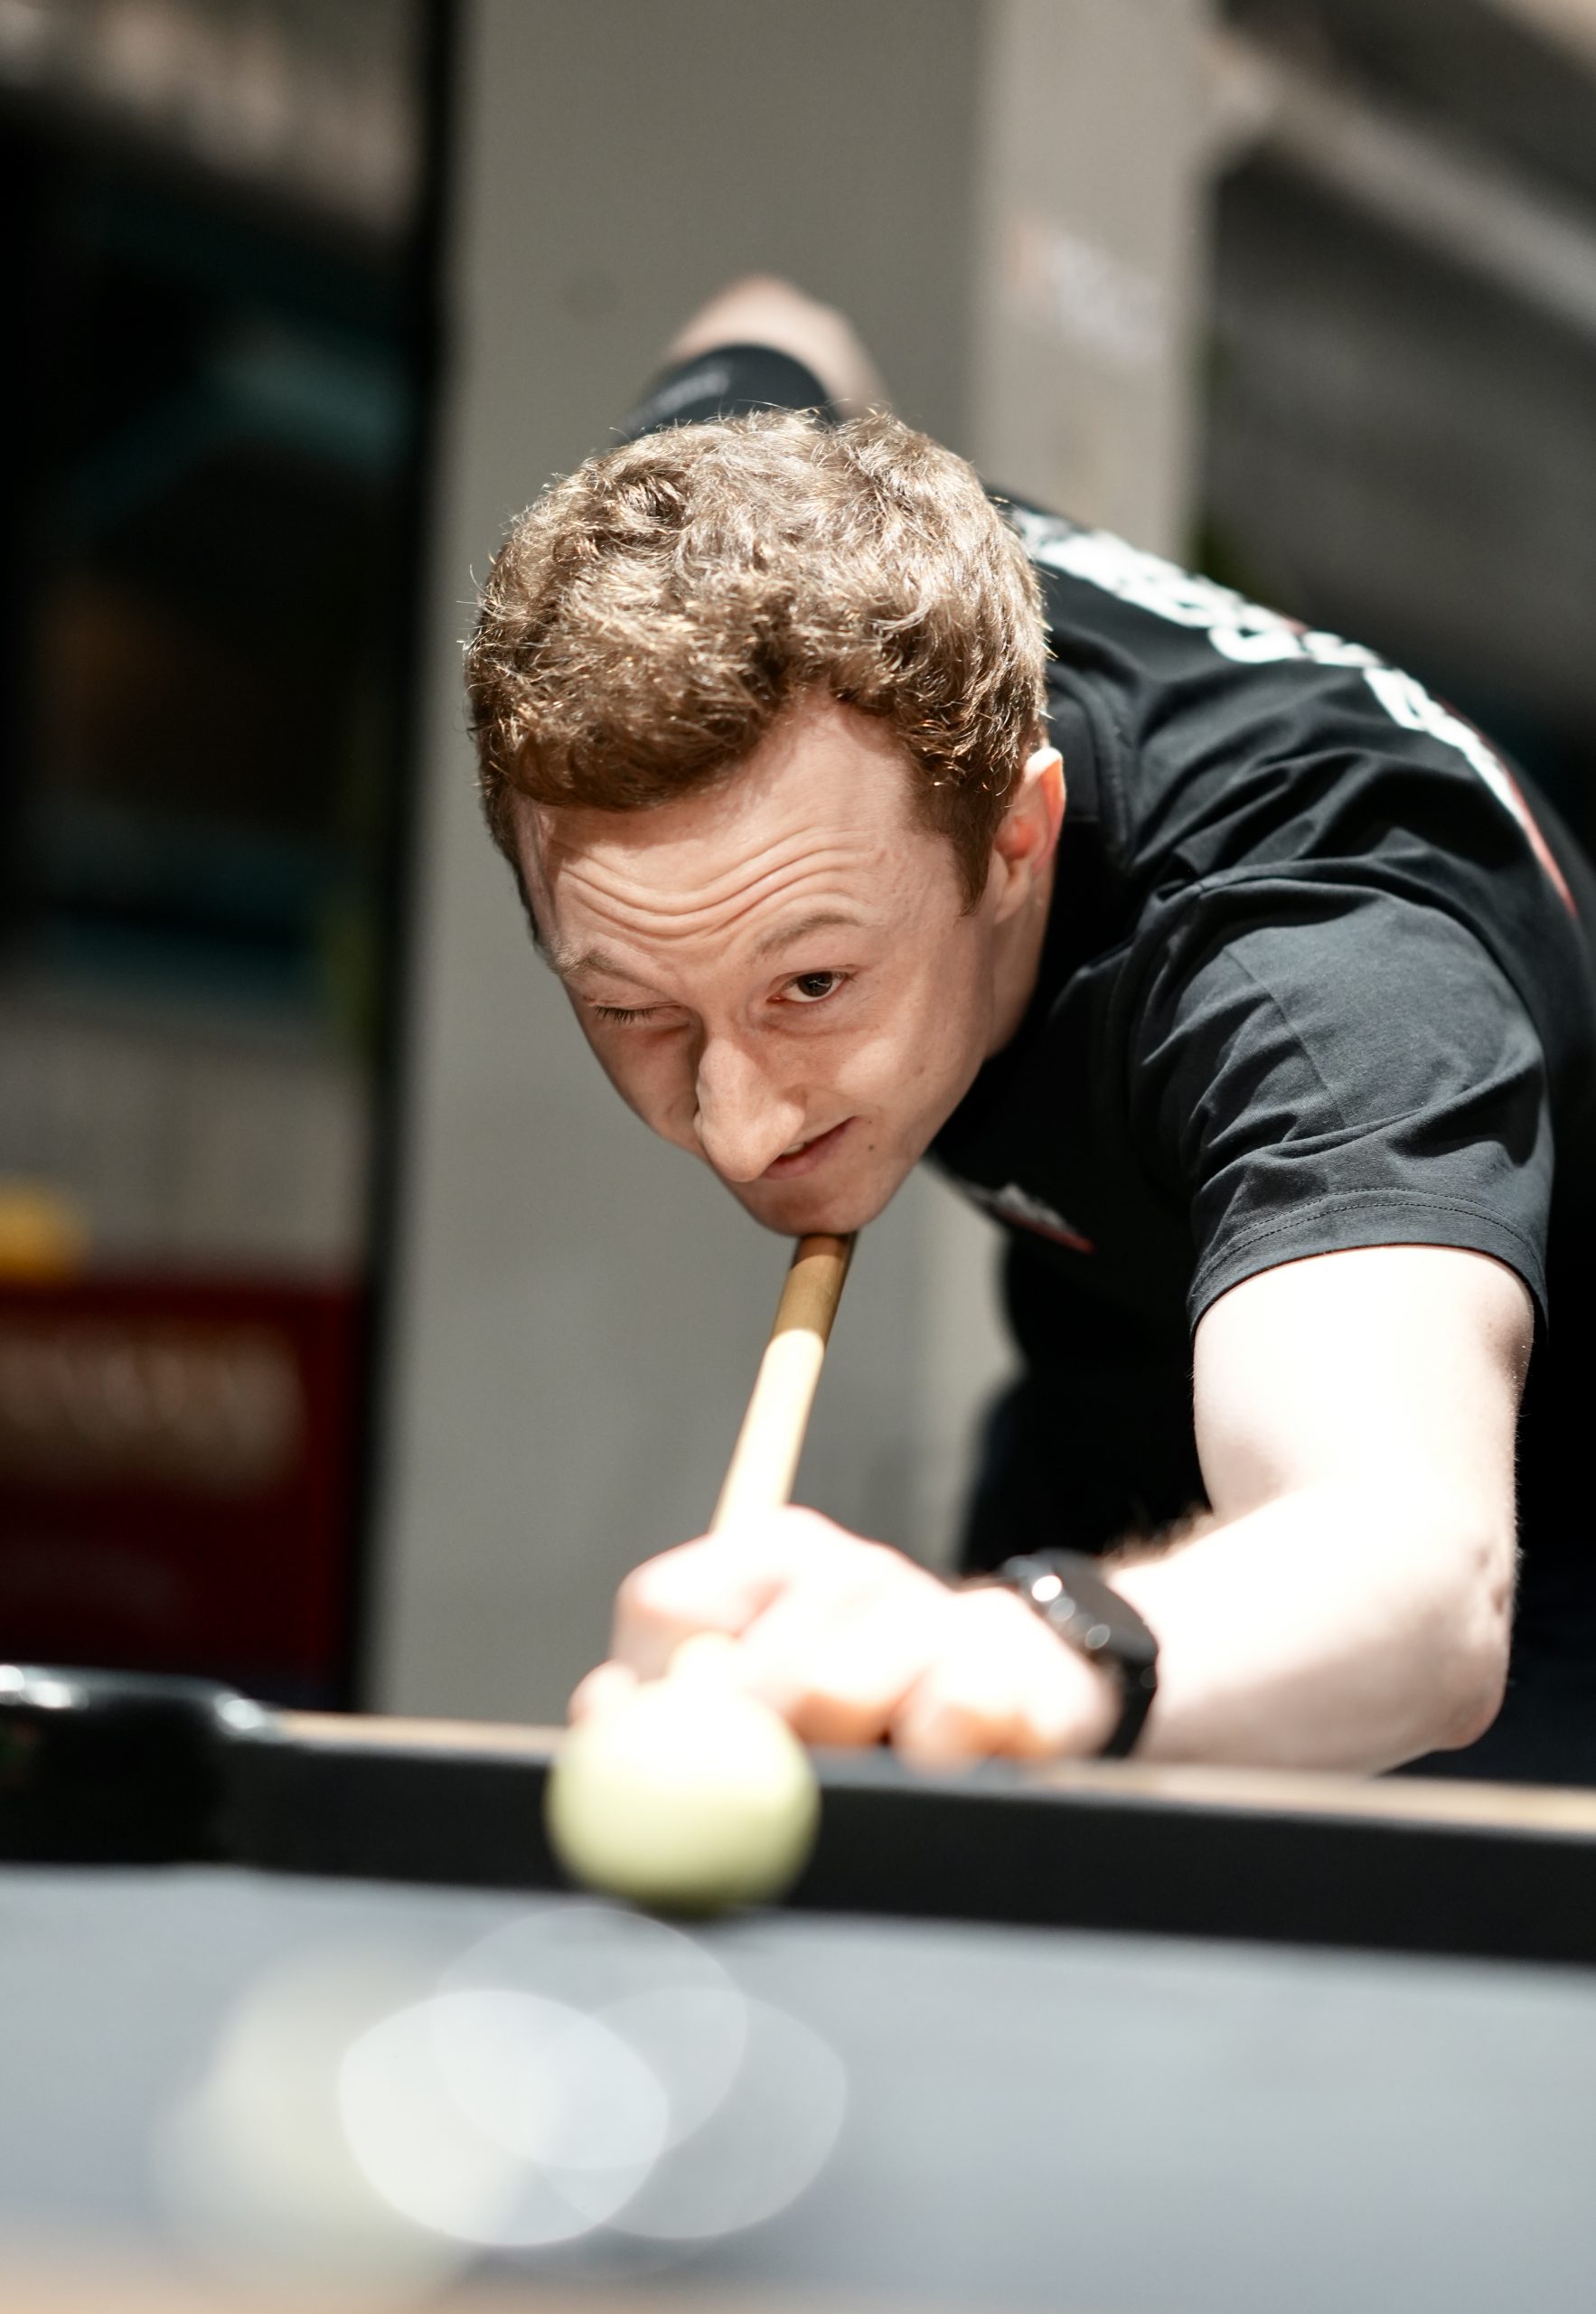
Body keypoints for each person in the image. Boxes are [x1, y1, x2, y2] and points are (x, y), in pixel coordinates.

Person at [465, 277, 1596, 1784]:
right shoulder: (720, 543)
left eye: (812, 985)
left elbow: (1415, 1575)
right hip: (1111, 1373)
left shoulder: (1322, 977)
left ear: (1014, 835)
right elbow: (773, 317)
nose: (739, 1124)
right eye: (633, 1010)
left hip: (1502, 1503)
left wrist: (1048, 1646)